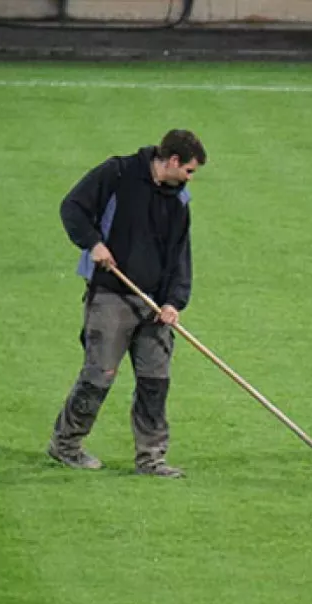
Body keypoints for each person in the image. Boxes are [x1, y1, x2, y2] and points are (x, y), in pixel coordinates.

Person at [47, 129, 207, 479]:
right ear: (173, 161)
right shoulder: (118, 174)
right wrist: (92, 243)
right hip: (110, 295)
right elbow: (72, 207)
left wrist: (173, 303)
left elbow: (181, 256)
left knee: (155, 381)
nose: (190, 179)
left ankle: (151, 459)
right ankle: (66, 445)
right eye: (189, 171)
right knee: (98, 375)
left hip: (155, 307)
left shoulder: (179, 201)